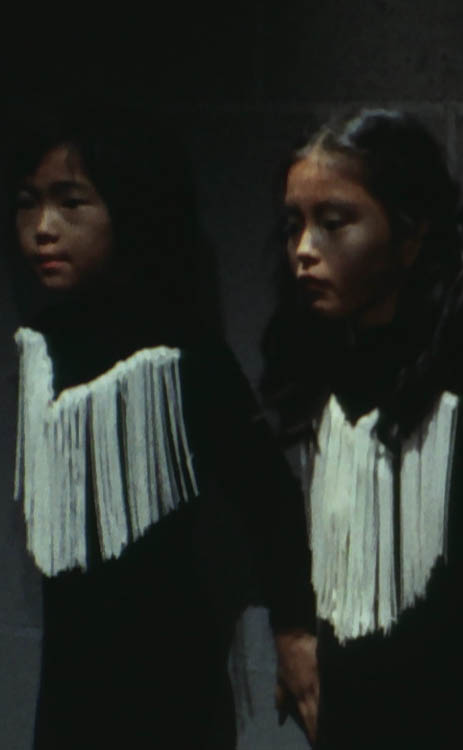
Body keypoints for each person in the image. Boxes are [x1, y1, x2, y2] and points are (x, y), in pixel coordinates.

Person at [7, 110, 317, 750]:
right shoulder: (45, 347)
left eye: (71, 202)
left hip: (167, 688)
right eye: (28, 202)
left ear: (128, 208)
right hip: (70, 689)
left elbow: (272, 502)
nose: (43, 228)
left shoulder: (180, 353)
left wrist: (293, 634)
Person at [260, 108, 463, 748]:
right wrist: (293, 629)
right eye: (294, 225)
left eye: (334, 223)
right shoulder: (317, 373)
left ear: (410, 236)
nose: (304, 250)